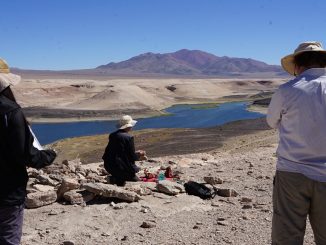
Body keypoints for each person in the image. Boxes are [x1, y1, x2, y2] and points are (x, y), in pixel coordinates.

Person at [267, 41, 326, 244]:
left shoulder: (286, 90)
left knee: (287, 237)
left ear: (297, 66)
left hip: (291, 173)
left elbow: (271, 122)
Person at [0, 58, 57, 245]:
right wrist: (48, 156)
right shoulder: (10, 111)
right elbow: (27, 155)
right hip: (7, 191)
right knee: (8, 238)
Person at [102, 115, 147, 186]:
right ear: (128, 126)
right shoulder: (129, 137)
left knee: (120, 177)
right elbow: (131, 157)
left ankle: (115, 178)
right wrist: (139, 155)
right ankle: (119, 178)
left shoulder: (112, 135)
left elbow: (119, 152)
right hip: (122, 168)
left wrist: (135, 153)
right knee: (138, 182)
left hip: (109, 166)